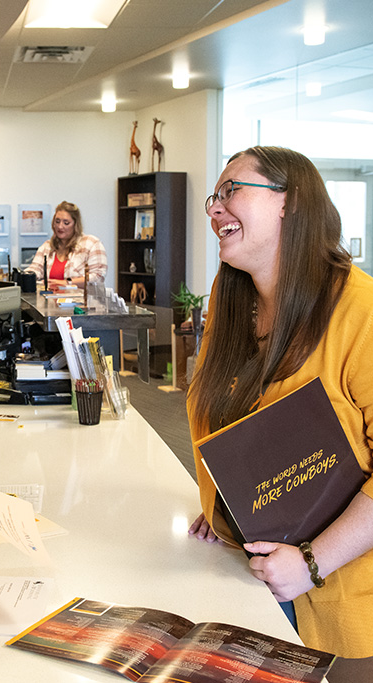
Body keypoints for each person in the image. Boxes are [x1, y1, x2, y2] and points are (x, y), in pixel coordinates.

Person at [187, 145, 373, 678]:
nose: (215, 208)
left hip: (335, 588)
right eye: (213, 197)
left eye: (231, 191)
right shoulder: (231, 294)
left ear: (289, 203)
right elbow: (239, 417)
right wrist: (234, 498)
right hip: (250, 568)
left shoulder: (360, 310)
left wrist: (314, 563)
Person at [27, 201, 107, 287]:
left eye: (66, 223)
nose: (60, 226)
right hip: (50, 299)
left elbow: (98, 277)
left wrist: (67, 283)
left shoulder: (91, 243)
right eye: (57, 221)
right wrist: (23, 276)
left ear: (75, 224)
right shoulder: (47, 246)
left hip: (81, 300)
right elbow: (35, 269)